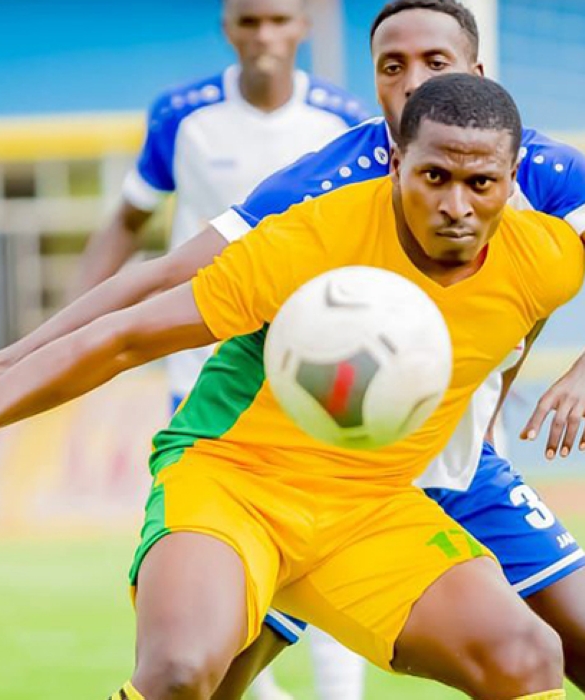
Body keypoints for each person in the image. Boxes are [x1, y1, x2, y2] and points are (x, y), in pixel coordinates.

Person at [0, 2, 585, 698]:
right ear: (394, 159)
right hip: (239, 480)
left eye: (481, 184)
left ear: (515, 177)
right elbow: (130, 327)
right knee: (187, 673)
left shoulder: (549, 253)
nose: (457, 204)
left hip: (374, 495)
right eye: (433, 176)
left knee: (529, 653)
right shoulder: (309, 227)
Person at [65, 0, 368, 695]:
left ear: (304, 27)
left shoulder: (343, 118)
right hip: (201, 371)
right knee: (210, 553)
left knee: (324, 536)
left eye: (279, 20)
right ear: (227, 26)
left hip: (315, 371)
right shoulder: (181, 114)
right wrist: (78, 323)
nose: (264, 35)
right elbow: (129, 220)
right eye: (249, 20)